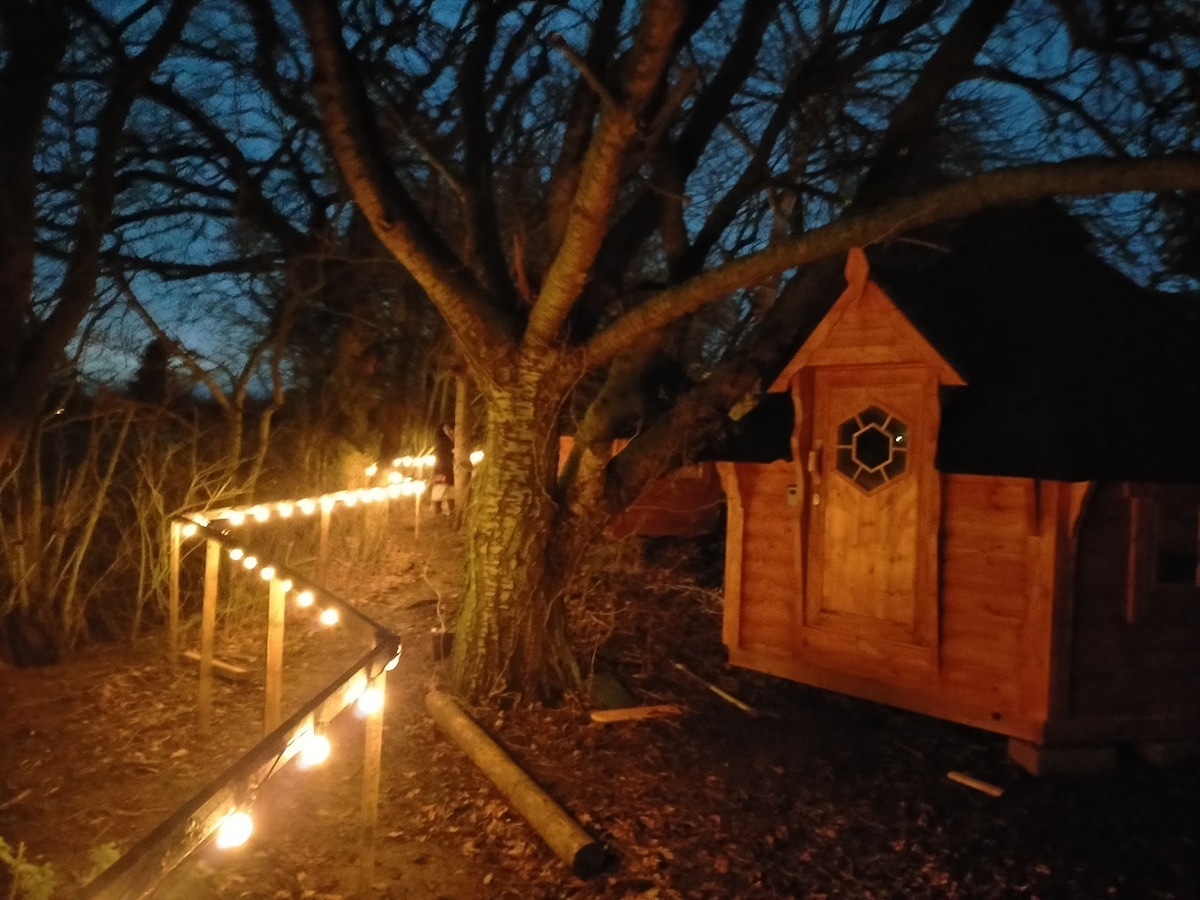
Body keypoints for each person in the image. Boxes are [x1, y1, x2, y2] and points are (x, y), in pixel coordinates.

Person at [431, 421, 454, 515]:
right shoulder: (444, 442)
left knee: (449, 490)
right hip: (444, 468)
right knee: (441, 488)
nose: (450, 431)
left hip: (445, 467)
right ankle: (439, 509)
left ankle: (448, 509)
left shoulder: (445, 441)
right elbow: (444, 456)